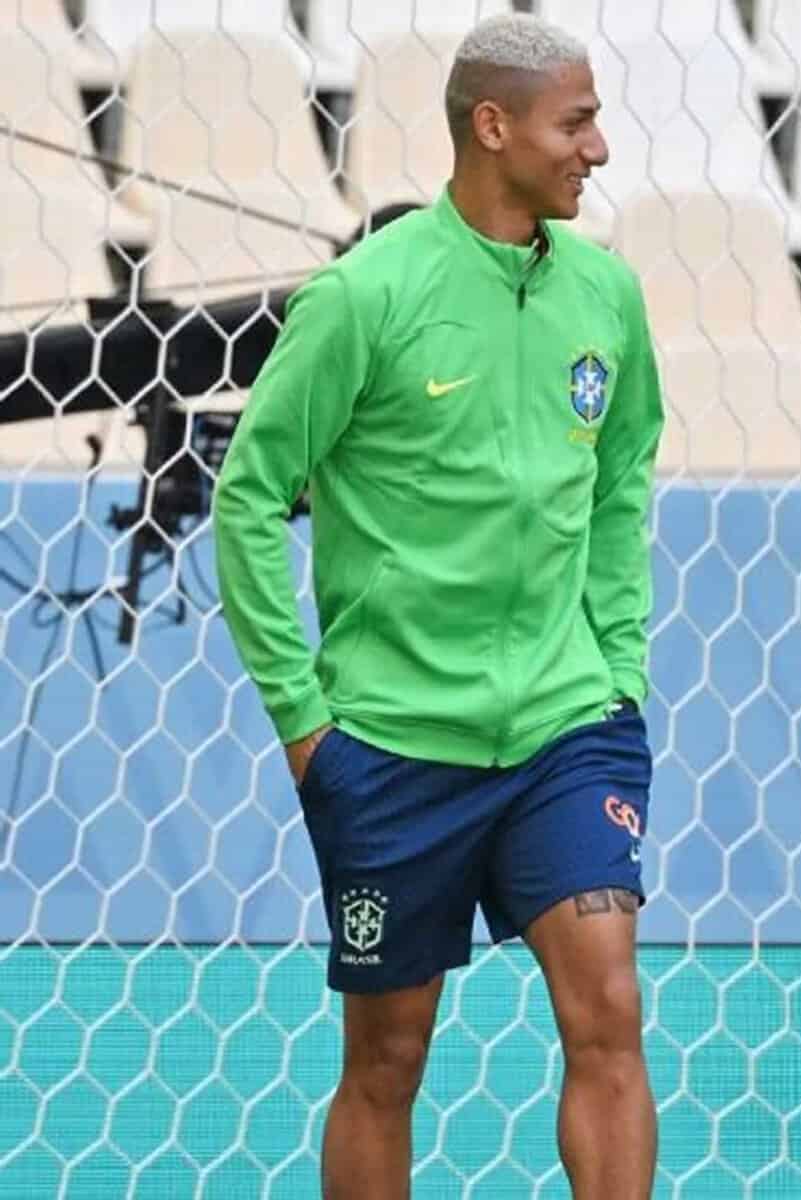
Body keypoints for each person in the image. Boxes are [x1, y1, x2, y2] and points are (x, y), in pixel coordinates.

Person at [212, 14, 663, 1198]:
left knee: (608, 1012)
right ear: (492, 125)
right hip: (394, 744)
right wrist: (306, 727)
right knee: (388, 1058)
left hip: (568, 726)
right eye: (577, 122)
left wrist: (615, 665)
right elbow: (247, 502)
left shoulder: (608, 298)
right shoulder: (365, 297)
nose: (599, 149)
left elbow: (621, 483)